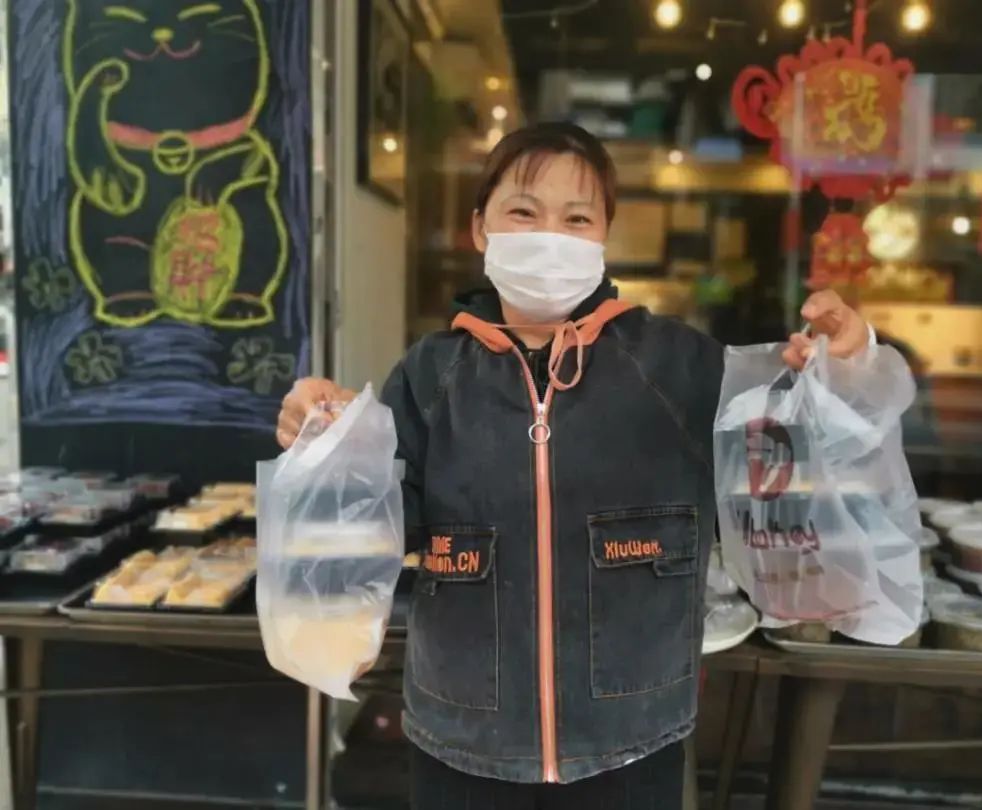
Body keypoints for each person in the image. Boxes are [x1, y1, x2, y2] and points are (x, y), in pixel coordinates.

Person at [277, 122, 873, 809]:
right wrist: (328, 448)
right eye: (523, 212)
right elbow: (384, 525)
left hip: (632, 734)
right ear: (480, 229)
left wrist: (843, 378)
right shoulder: (429, 375)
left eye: (577, 218)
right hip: (462, 736)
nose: (549, 236)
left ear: (604, 236)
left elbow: (781, 478)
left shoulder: (679, 366)